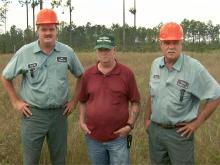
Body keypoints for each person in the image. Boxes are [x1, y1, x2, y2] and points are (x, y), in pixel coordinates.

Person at [1, 8, 84, 164]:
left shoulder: (67, 52)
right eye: (43, 29)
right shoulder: (25, 53)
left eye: (51, 29)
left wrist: (74, 101)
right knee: (30, 160)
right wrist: (15, 102)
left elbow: (81, 75)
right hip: (33, 116)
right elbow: (5, 76)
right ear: (37, 30)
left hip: (59, 115)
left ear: (56, 30)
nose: (47, 33)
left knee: (59, 160)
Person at [145, 22, 220, 165]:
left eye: (175, 42)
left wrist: (196, 123)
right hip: (155, 132)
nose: (171, 46)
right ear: (161, 44)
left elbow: (216, 95)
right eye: (167, 42)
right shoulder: (156, 64)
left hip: (179, 134)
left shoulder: (193, 67)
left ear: (181, 43)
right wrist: (147, 121)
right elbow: (152, 94)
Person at [79, 33, 140, 165]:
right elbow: (83, 101)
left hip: (118, 138)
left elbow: (135, 102)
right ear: (96, 51)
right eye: (100, 49)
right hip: (93, 138)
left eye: (107, 49)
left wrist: (129, 125)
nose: (104, 53)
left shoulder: (126, 73)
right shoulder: (88, 74)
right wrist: (82, 122)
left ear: (114, 50)